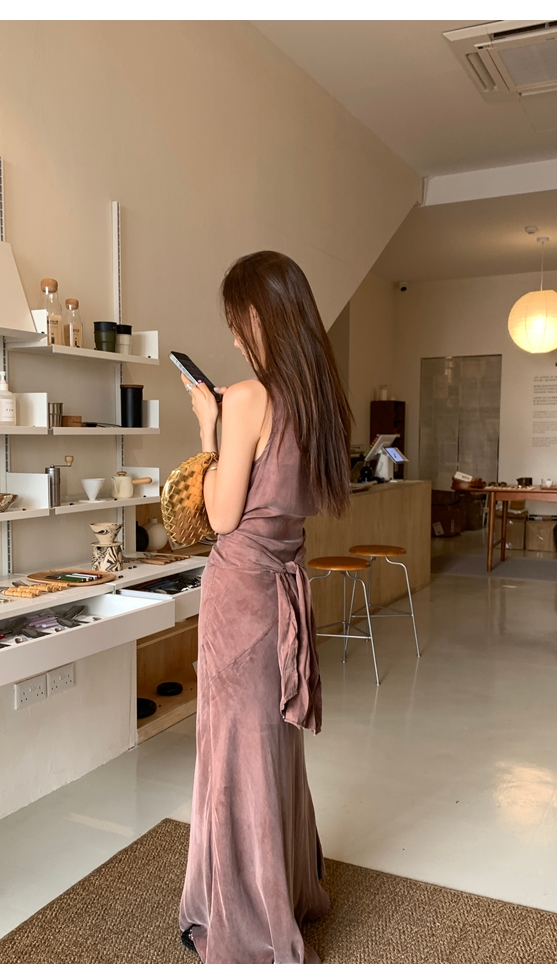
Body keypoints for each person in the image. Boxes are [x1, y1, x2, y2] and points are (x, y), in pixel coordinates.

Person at [178, 251, 352, 964]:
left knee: (232, 752)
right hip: (285, 587)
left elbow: (221, 517)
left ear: (256, 315)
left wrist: (208, 428)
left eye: (235, 319)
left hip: (241, 592)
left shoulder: (249, 398)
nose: (233, 334)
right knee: (271, 745)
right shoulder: (319, 403)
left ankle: (245, 918)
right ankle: (284, 886)